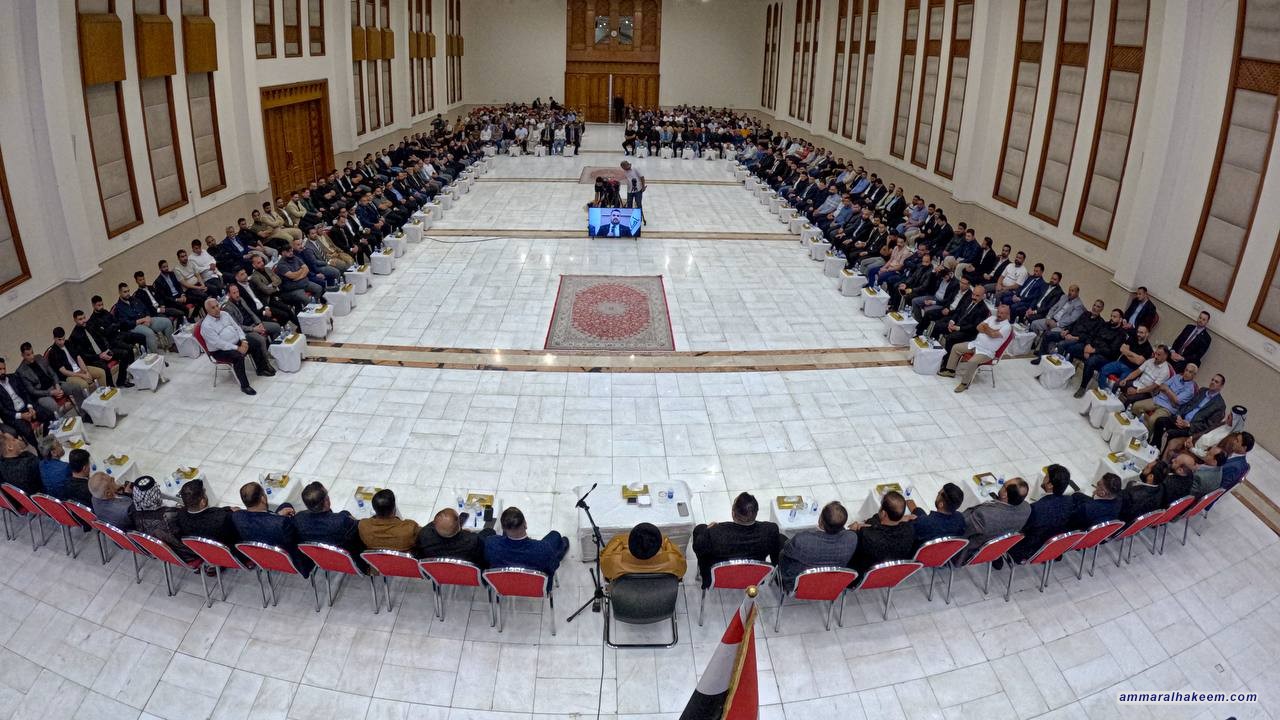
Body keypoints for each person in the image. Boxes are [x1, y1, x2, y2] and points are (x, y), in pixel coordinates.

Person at [691, 492, 783, 588]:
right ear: (756, 513)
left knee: (700, 529)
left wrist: (707, 530)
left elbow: (697, 548)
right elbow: (775, 555)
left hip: (717, 578)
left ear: (733, 513)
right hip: (753, 577)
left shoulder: (714, 533)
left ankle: (702, 574)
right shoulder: (770, 530)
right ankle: (777, 576)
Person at [231, 481, 310, 573]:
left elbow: (262, 525)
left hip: (261, 558)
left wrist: (277, 515)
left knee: (285, 505)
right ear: (263, 499)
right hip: (290, 561)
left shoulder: (237, 516)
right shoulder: (282, 524)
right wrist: (282, 519)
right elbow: (295, 538)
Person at [777, 501, 858, 590]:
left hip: (798, 583)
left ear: (821, 521)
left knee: (780, 539)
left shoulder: (802, 540)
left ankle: (778, 578)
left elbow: (786, 551)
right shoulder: (851, 538)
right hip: (831, 583)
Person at [939, 303, 1012, 393]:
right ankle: (951, 371)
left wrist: (986, 327)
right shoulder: (992, 318)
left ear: (1007, 314)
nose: (999, 314)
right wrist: (990, 330)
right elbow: (978, 327)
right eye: (998, 312)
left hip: (987, 352)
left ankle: (965, 383)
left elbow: (993, 335)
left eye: (1002, 313)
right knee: (956, 347)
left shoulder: (1007, 327)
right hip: (976, 344)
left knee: (972, 361)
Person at [198, 298, 265, 395]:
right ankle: (245, 386)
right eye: (213, 308)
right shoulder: (206, 326)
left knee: (255, 343)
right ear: (207, 311)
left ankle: (261, 369)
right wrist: (238, 348)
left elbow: (237, 328)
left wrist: (243, 341)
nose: (217, 309)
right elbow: (219, 343)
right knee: (238, 357)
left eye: (217, 306)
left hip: (237, 342)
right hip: (219, 351)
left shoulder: (224, 314)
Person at [1010, 465, 1076, 562]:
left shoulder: (1036, 508)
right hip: (1051, 547)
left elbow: (1021, 529)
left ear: (1050, 485)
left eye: (1046, 477)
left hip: (1028, 550)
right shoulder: (1069, 501)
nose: (1043, 478)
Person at [484, 506, 570, 578]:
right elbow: (553, 567)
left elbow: (488, 562)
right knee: (555, 535)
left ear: (503, 528)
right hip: (536, 587)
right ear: (525, 524)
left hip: (503, 585)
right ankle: (561, 548)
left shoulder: (491, 543)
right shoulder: (543, 548)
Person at [960, 477, 1031, 562]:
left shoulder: (984, 515)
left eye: (1003, 485)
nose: (1001, 486)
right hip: (995, 550)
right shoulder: (1027, 509)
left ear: (1005, 494)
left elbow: (962, 530)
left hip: (968, 551)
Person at [848, 491, 916, 575]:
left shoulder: (867, 535)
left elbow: (851, 543)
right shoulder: (910, 530)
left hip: (866, 572)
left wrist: (853, 530)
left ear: (884, 513)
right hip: (890, 574)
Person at [1150, 374, 1226, 449]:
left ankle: (1161, 455)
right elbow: (1188, 404)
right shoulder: (1203, 391)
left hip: (1192, 429)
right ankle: (1154, 447)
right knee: (1160, 421)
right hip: (1181, 419)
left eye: (1216, 382)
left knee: (1171, 434)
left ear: (1221, 386)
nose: (1212, 382)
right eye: (1212, 380)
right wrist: (1179, 415)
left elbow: (1208, 426)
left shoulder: (1219, 405)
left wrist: (1189, 425)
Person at [17, 342, 87, 419]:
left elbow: (53, 373)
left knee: (76, 388)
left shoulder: (39, 358)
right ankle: (67, 423)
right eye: (28, 355)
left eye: (32, 353)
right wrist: (51, 393)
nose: (32, 356)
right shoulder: (21, 371)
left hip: (54, 385)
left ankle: (84, 415)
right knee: (54, 407)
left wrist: (57, 386)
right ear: (22, 355)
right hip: (42, 394)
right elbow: (32, 391)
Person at [130, 476, 193, 561]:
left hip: (161, 552)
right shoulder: (171, 513)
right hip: (185, 554)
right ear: (155, 493)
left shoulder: (134, 512)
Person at [600, 521, 688, 582]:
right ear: (659, 546)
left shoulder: (614, 560)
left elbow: (607, 575)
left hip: (627, 592)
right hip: (659, 592)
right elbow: (681, 574)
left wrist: (618, 543)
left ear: (629, 543)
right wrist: (667, 543)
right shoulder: (673, 560)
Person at [68, 309, 135, 388]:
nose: (84, 321)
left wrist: (107, 349)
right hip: (93, 359)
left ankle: (121, 381)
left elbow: (102, 338)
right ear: (75, 320)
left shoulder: (90, 325)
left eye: (84, 318)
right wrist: (99, 356)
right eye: (80, 319)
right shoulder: (74, 336)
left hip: (104, 352)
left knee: (125, 353)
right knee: (105, 369)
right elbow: (83, 355)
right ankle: (111, 388)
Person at [294, 482, 363, 556]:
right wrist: (349, 517)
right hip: (349, 556)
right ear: (326, 502)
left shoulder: (298, 518)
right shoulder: (341, 521)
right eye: (327, 495)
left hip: (321, 557)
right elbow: (360, 529)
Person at [0, 357, 54, 446]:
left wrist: (30, 407)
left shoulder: (13, 377)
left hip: (26, 407)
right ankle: (39, 449)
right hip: (14, 415)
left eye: (4, 368)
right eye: (0, 369)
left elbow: (25, 393)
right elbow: (3, 410)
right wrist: (21, 416)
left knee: (49, 415)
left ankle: (46, 439)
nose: (2, 372)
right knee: (27, 431)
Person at [1130, 363, 1199, 432]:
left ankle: (1145, 434)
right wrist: (1172, 394)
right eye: (1186, 370)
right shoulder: (1177, 377)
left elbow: (1177, 400)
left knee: (1152, 420)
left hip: (1168, 408)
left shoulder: (1190, 390)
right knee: (1136, 406)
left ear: (1194, 375)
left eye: (1190, 372)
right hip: (1158, 399)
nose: (1186, 373)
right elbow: (1162, 386)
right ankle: (1137, 426)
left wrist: (1167, 390)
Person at [417, 506, 495, 566]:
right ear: (459, 526)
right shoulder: (472, 540)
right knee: (489, 531)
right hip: (469, 568)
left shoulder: (424, 534)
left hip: (441, 570)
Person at [175, 478, 240, 548]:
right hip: (228, 549)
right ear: (202, 502)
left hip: (202, 550)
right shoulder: (222, 517)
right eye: (204, 493)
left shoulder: (179, 515)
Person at [46, 327, 109, 394]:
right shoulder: (53, 353)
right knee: (84, 384)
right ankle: (92, 399)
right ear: (54, 338)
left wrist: (86, 371)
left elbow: (79, 358)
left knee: (101, 372)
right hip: (69, 376)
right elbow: (64, 371)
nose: (62, 342)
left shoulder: (68, 343)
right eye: (59, 340)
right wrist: (81, 375)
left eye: (63, 339)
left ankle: (104, 394)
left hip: (80, 369)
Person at [0, 431, 43, 496]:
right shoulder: (29, 463)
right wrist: (24, 447)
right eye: (14, 439)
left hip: (22, 499)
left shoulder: (1, 465)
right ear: (10, 446)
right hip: (40, 497)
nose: (18, 439)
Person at [37, 436, 72, 500]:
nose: (61, 445)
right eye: (58, 444)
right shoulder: (65, 468)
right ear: (53, 453)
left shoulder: (41, 464)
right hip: (66, 500)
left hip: (52, 499)